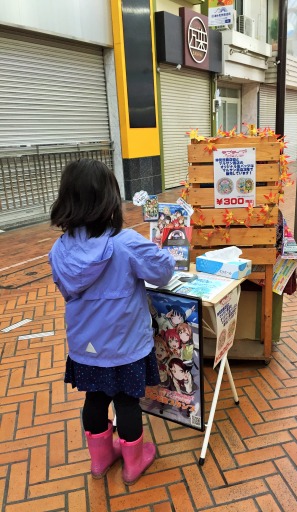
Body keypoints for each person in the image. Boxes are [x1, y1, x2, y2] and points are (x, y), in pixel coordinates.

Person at [48, 159, 175, 485]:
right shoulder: (126, 243)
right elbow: (162, 273)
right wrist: (164, 250)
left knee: (94, 398)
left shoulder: (59, 250)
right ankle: (133, 463)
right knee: (127, 402)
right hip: (126, 347)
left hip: (85, 348)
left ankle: (101, 459)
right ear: (109, 198)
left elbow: (65, 289)